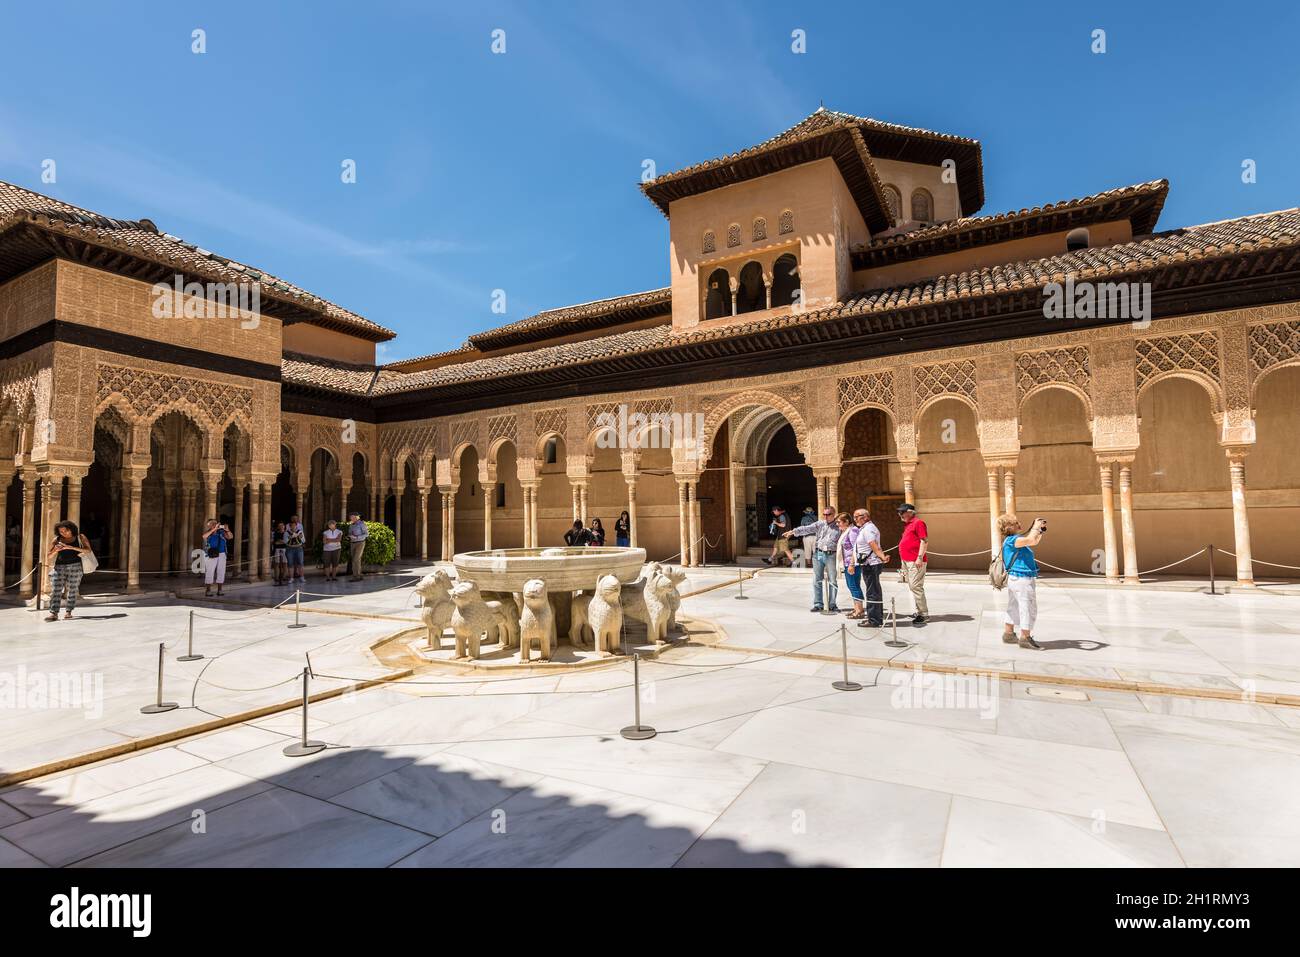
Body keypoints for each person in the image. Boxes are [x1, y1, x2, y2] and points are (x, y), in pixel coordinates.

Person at [999, 513, 1046, 649]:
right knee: (1028, 607)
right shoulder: (1011, 540)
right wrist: (1035, 527)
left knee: (1014, 606)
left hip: (1017, 579)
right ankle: (1025, 637)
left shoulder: (1015, 540)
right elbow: (1031, 540)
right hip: (1021, 579)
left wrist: (1040, 530)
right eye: (1015, 522)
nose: (1019, 524)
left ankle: (1008, 634)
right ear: (1009, 527)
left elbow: (1034, 541)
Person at [784, 505, 843, 613]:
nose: (825, 516)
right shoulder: (820, 524)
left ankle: (832, 604)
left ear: (833, 514)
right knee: (816, 580)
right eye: (824, 514)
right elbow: (807, 529)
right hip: (818, 554)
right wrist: (793, 532)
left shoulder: (838, 526)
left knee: (832, 580)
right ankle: (818, 604)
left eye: (828, 514)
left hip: (831, 555)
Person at [852, 507, 891, 628]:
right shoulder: (865, 528)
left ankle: (873, 620)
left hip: (871, 564)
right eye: (854, 517)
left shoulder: (868, 529)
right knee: (874, 590)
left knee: (872, 592)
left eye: (857, 517)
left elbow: (873, 545)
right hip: (869, 563)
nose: (855, 519)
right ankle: (876, 618)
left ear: (865, 517)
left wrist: (882, 556)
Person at [45, 520, 90, 621]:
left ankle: (68, 611)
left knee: (72, 590)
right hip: (59, 567)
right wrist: (56, 550)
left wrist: (71, 547)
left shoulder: (80, 537)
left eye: (65, 531)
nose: (63, 533)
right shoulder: (56, 539)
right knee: (55, 590)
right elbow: (49, 556)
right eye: (61, 532)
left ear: (71, 529)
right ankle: (53, 613)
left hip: (76, 566)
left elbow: (88, 550)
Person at [896, 503, 930, 626]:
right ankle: (919, 611)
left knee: (915, 586)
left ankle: (924, 614)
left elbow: (924, 541)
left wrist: (919, 557)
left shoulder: (918, 523)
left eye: (902, 512)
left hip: (915, 560)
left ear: (910, 512)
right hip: (907, 560)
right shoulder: (908, 525)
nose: (900, 515)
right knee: (912, 586)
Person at [837, 512, 865, 619]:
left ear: (847, 522)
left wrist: (852, 564)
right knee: (851, 586)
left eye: (839, 522)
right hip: (847, 563)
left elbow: (856, 548)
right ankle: (857, 608)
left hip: (852, 564)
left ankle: (859, 610)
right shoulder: (846, 531)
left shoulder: (853, 531)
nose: (838, 524)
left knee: (854, 586)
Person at [201, 518, 232, 597]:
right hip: (211, 554)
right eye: (212, 523)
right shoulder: (209, 532)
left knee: (221, 571)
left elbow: (230, 537)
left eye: (215, 523)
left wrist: (227, 530)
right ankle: (208, 590)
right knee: (210, 571)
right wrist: (213, 530)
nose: (215, 524)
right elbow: (204, 536)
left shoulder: (221, 532)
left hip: (222, 553)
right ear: (209, 525)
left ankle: (220, 590)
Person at [285, 515, 306, 584]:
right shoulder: (286, 533)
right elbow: (285, 541)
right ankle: (291, 578)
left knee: (301, 563)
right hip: (290, 549)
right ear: (290, 526)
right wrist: (291, 537)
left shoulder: (300, 532)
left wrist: (300, 537)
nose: (294, 527)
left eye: (295, 526)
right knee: (290, 563)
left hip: (299, 548)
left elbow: (303, 541)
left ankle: (302, 577)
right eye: (292, 526)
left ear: (296, 526)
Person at [347, 512, 368, 582]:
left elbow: (366, 534)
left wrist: (357, 537)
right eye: (350, 517)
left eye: (352, 517)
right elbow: (350, 533)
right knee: (356, 560)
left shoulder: (362, 524)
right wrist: (350, 535)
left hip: (360, 543)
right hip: (352, 543)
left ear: (356, 517)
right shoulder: (351, 525)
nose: (351, 519)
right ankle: (359, 575)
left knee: (355, 559)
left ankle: (356, 576)